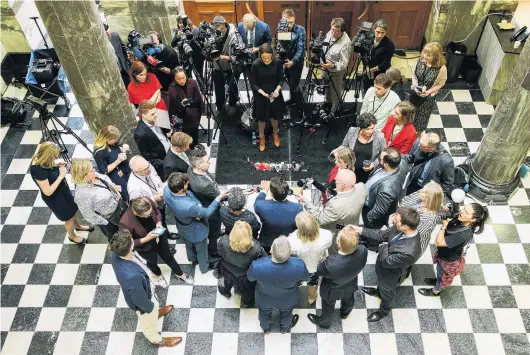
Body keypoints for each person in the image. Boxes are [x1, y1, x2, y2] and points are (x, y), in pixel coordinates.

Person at [110, 230, 182, 348]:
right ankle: (157, 340)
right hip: (143, 305)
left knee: (153, 303)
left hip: (144, 289)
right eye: (132, 239)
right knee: (149, 324)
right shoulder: (132, 277)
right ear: (131, 245)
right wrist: (151, 308)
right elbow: (140, 300)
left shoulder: (117, 253)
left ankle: (157, 312)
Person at [357, 207, 422, 322]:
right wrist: (360, 230)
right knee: (381, 285)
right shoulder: (399, 228)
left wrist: (383, 246)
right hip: (383, 267)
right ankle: (378, 292)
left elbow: (387, 261)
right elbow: (382, 235)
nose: (393, 222)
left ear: (406, 226)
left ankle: (383, 311)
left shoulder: (411, 251)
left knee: (388, 293)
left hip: (391, 274)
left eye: (396, 221)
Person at [419, 203, 488, 297]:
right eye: (464, 209)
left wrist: (443, 227)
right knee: (440, 273)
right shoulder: (461, 219)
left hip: (447, 260)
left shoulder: (463, 235)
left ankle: (435, 291)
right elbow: (453, 212)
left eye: (466, 212)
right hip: (444, 253)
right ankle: (437, 280)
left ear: (473, 219)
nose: (462, 212)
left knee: (442, 276)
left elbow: (438, 242)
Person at [120, 197, 193, 285]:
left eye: (150, 213)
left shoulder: (147, 200)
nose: (148, 216)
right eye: (146, 215)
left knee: (168, 257)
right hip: (145, 247)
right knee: (152, 263)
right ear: (136, 213)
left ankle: (180, 274)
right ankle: (159, 276)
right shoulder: (126, 222)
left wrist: (158, 222)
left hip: (159, 238)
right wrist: (146, 238)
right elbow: (128, 243)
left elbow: (157, 212)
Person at [164, 172, 227, 273]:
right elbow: (207, 212)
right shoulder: (189, 206)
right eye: (186, 184)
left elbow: (188, 194)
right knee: (202, 250)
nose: (188, 184)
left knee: (188, 244)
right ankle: (204, 267)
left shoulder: (167, 191)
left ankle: (193, 259)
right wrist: (218, 198)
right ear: (180, 189)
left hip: (182, 225)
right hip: (195, 230)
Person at [307, 226, 368, 329]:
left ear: (339, 244)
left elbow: (319, 270)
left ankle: (324, 323)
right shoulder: (363, 251)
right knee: (349, 299)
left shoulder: (330, 264)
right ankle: (345, 313)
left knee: (328, 306)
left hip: (332, 289)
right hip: (351, 283)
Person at [30, 142, 91, 244]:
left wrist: (56, 164)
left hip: (62, 191)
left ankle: (77, 226)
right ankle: (72, 236)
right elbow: (48, 192)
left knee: (72, 210)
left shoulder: (42, 159)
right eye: (54, 156)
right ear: (47, 155)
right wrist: (61, 176)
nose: (55, 158)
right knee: (68, 218)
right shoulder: (37, 170)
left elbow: (48, 167)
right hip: (55, 198)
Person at [247, 237, 309, 333]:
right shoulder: (299, 265)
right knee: (287, 314)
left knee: (263, 313)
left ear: (271, 250)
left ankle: (266, 328)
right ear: (289, 252)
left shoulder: (257, 265)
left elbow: (250, 278)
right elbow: (306, 278)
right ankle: (284, 329)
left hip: (264, 298)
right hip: (287, 299)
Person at [299, 169, 367, 254]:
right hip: (353, 226)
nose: (334, 182)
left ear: (343, 185)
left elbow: (320, 219)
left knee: (337, 253)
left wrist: (307, 202)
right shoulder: (361, 187)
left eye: (336, 181)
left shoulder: (335, 205)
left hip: (339, 232)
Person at [128, 156, 178, 246]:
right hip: (150, 209)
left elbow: (156, 177)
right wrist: (153, 198)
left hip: (160, 201)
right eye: (144, 169)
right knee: (156, 226)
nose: (149, 170)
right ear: (136, 171)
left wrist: (161, 185)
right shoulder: (134, 187)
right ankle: (164, 244)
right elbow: (138, 206)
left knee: (162, 220)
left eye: (148, 166)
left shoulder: (148, 166)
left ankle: (167, 235)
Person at [215, 221, 267, 307]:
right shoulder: (256, 249)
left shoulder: (223, 241)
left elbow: (220, 253)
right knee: (247, 289)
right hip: (245, 274)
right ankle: (246, 302)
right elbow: (262, 262)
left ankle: (226, 292)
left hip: (227, 268)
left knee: (227, 281)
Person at [71, 159, 126, 240]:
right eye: (91, 170)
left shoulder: (94, 175)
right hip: (110, 218)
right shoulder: (82, 194)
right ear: (83, 175)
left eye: (92, 168)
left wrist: (113, 186)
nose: (94, 170)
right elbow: (89, 215)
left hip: (119, 205)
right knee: (117, 238)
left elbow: (105, 182)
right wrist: (106, 223)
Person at [288, 212, 332, 305]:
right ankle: (312, 298)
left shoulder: (293, 240)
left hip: (299, 267)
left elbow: (290, 251)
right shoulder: (327, 235)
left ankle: (297, 286)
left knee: (295, 279)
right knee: (313, 283)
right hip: (316, 266)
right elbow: (328, 245)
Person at [331, 113, 386, 184]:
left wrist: (373, 164)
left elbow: (383, 155)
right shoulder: (352, 131)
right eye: (367, 129)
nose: (370, 131)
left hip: (367, 173)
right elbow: (345, 146)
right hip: (350, 170)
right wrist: (336, 152)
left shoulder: (380, 137)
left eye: (372, 128)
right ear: (359, 128)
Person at [187, 149, 222, 257]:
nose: (210, 162)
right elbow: (218, 195)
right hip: (210, 208)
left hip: (203, 200)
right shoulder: (203, 185)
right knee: (214, 232)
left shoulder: (190, 168)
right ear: (198, 166)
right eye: (207, 161)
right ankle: (214, 251)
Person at [362, 148, 407, 232]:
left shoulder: (387, 189)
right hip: (373, 195)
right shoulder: (401, 163)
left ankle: (370, 243)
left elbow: (379, 210)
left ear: (386, 165)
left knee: (371, 232)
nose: (379, 160)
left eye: (380, 159)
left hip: (370, 209)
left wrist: (368, 218)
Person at [254, 177, 303, 253]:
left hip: (267, 245)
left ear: (272, 194)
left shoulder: (261, 206)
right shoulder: (298, 208)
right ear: (287, 193)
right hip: (288, 245)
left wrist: (264, 190)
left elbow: (258, 201)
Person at [251, 43, 285, 151]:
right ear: (260, 55)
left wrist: (277, 90)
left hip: (274, 93)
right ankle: (262, 137)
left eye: (269, 58)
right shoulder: (255, 64)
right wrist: (262, 93)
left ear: (272, 55)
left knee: (274, 116)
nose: (266, 60)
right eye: (264, 58)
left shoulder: (278, 62)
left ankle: (275, 133)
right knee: (261, 119)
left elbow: (281, 78)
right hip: (261, 94)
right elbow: (254, 83)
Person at [410, 42, 447, 132]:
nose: (425, 56)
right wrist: (415, 86)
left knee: (420, 122)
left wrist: (428, 92)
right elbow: (414, 75)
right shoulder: (420, 61)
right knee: (410, 115)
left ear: (436, 56)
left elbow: (441, 83)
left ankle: (417, 138)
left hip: (427, 98)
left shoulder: (441, 68)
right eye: (425, 53)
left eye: (429, 55)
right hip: (415, 93)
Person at [211, 16, 244, 115]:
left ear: (225, 25)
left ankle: (232, 104)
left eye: (221, 28)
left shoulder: (233, 35)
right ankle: (220, 106)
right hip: (217, 67)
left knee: (232, 86)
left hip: (230, 67)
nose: (219, 30)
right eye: (216, 28)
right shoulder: (213, 33)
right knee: (218, 87)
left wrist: (222, 57)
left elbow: (237, 57)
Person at [404, 132, 454, 196]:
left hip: (427, 192)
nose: (418, 146)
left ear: (431, 149)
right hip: (412, 182)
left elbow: (447, 183)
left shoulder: (446, 161)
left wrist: (434, 197)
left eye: (422, 146)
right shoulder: (418, 143)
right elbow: (411, 158)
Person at [134, 100, 171, 179]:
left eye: (155, 112)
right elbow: (147, 155)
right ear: (143, 115)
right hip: (163, 161)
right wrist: (164, 163)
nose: (156, 115)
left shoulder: (157, 118)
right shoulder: (140, 133)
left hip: (171, 151)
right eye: (152, 114)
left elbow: (166, 130)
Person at [321, 18, 351, 114]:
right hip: (326, 67)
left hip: (336, 71)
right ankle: (327, 101)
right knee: (326, 87)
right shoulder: (331, 32)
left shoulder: (346, 44)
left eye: (337, 31)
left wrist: (332, 66)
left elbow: (344, 63)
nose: (333, 32)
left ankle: (335, 109)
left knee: (336, 92)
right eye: (332, 29)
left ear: (342, 30)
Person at [167, 67, 203, 147]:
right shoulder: (172, 88)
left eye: (183, 78)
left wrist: (191, 103)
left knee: (195, 130)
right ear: (175, 78)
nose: (182, 80)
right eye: (179, 79)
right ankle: (189, 146)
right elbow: (173, 106)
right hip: (182, 116)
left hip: (194, 113)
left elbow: (197, 98)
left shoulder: (192, 82)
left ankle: (195, 144)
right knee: (186, 134)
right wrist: (182, 105)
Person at [94, 125, 131, 201]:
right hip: (116, 177)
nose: (117, 141)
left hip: (125, 170)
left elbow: (115, 150)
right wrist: (118, 161)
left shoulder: (112, 143)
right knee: (128, 195)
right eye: (115, 139)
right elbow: (104, 171)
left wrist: (123, 149)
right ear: (107, 139)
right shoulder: (99, 152)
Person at [279, 9, 306, 110]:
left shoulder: (300, 30)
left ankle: (299, 106)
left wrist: (293, 61)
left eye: (291, 22)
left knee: (294, 84)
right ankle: (292, 99)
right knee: (289, 82)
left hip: (296, 61)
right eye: (287, 22)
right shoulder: (281, 28)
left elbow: (301, 49)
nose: (289, 25)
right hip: (285, 59)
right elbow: (280, 45)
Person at [363, 19, 395, 92]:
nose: (380, 35)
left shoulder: (389, 45)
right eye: (378, 32)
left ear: (386, 32)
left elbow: (385, 63)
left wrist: (371, 70)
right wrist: (367, 67)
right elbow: (364, 54)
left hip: (380, 72)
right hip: (367, 69)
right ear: (374, 29)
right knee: (367, 89)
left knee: (378, 90)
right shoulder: (368, 39)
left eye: (383, 33)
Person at [104, 23, 130, 87]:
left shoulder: (115, 36)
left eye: (108, 31)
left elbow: (123, 47)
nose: (108, 33)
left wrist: (128, 52)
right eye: (105, 33)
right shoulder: (100, 45)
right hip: (113, 74)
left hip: (124, 69)